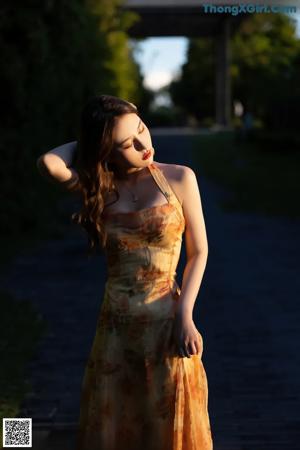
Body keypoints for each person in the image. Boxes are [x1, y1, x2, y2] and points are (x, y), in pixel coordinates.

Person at [36, 94, 213, 450]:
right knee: (116, 423)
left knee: (164, 425)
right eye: (125, 143)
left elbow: (199, 251)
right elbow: (49, 164)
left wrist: (186, 315)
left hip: (167, 322)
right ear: (106, 150)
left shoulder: (179, 178)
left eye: (142, 129)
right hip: (116, 329)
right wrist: (92, 140)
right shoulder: (99, 188)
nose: (142, 144)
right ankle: (20, 436)